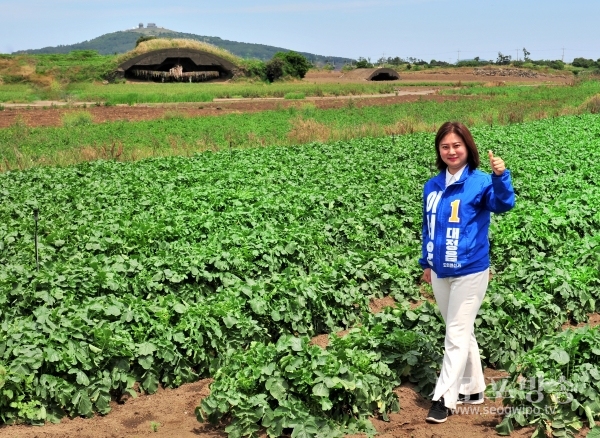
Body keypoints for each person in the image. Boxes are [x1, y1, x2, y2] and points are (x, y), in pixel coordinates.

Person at [419, 121, 515, 423]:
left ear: (467, 148)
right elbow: (428, 227)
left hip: (470, 270)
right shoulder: (432, 185)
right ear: (439, 150)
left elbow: (503, 204)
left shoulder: (481, 182)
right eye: (445, 146)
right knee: (460, 330)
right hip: (439, 270)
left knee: (456, 334)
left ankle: (443, 399)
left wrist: (501, 177)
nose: (451, 151)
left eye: (456, 145)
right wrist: (426, 263)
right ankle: (473, 389)